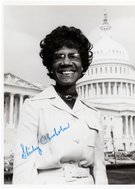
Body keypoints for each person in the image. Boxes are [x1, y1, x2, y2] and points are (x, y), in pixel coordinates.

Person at [13, 26, 108, 184]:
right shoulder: (33, 107)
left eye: (73, 56)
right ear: (50, 66)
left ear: (82, 64)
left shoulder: (93, 113)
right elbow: (24, 168)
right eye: (58, 57)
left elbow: (99, 170)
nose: (66, 62)